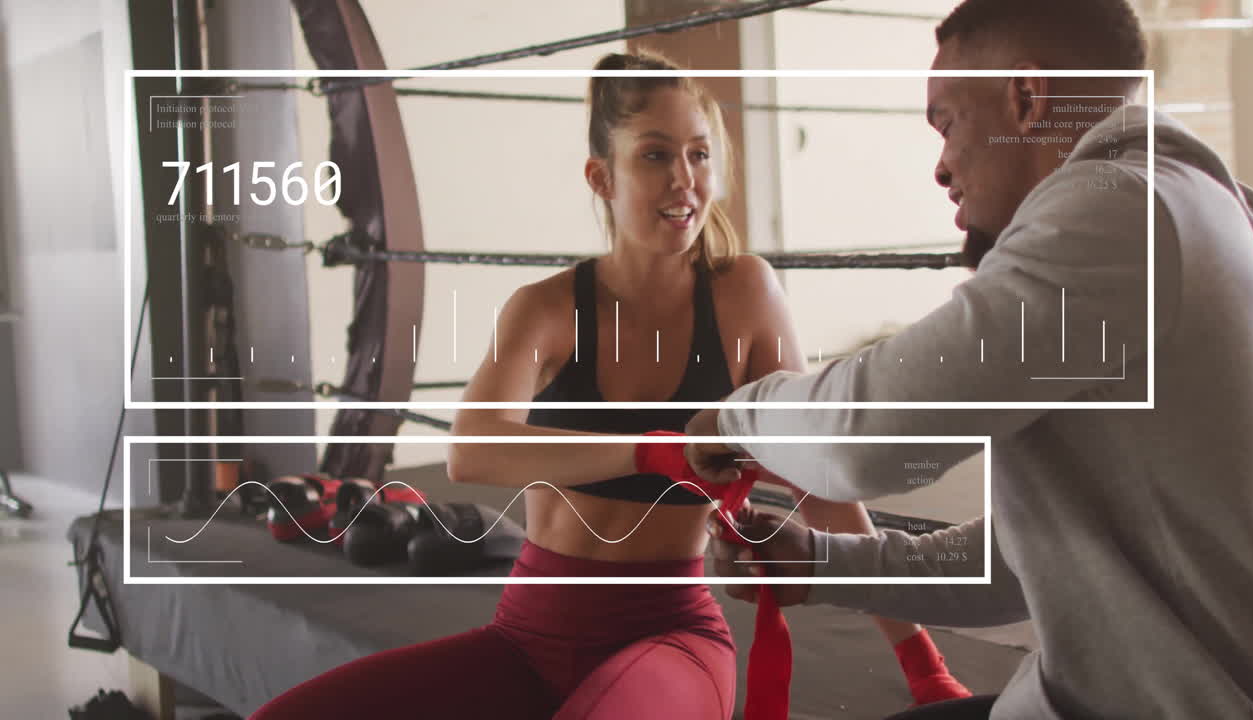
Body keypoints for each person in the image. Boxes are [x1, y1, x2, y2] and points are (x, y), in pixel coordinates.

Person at [251, 52, 966, 720]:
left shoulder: (745, 294)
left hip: (671, 638)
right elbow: (473, 451)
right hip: (525, 638)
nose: (683, 180)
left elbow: (821, 478)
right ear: (602, 177)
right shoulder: (546, 307)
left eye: (698, 153)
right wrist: (650, 454)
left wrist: (920, 659)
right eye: (655, 155)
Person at [685, 1, 1253, 719]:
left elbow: (864, 433)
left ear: (1026, 98)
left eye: (948, 123)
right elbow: (1028, 564)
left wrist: (733, 416)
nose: (940, 167)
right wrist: (818, 561)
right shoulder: (1160, 205)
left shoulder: (1119, 210)